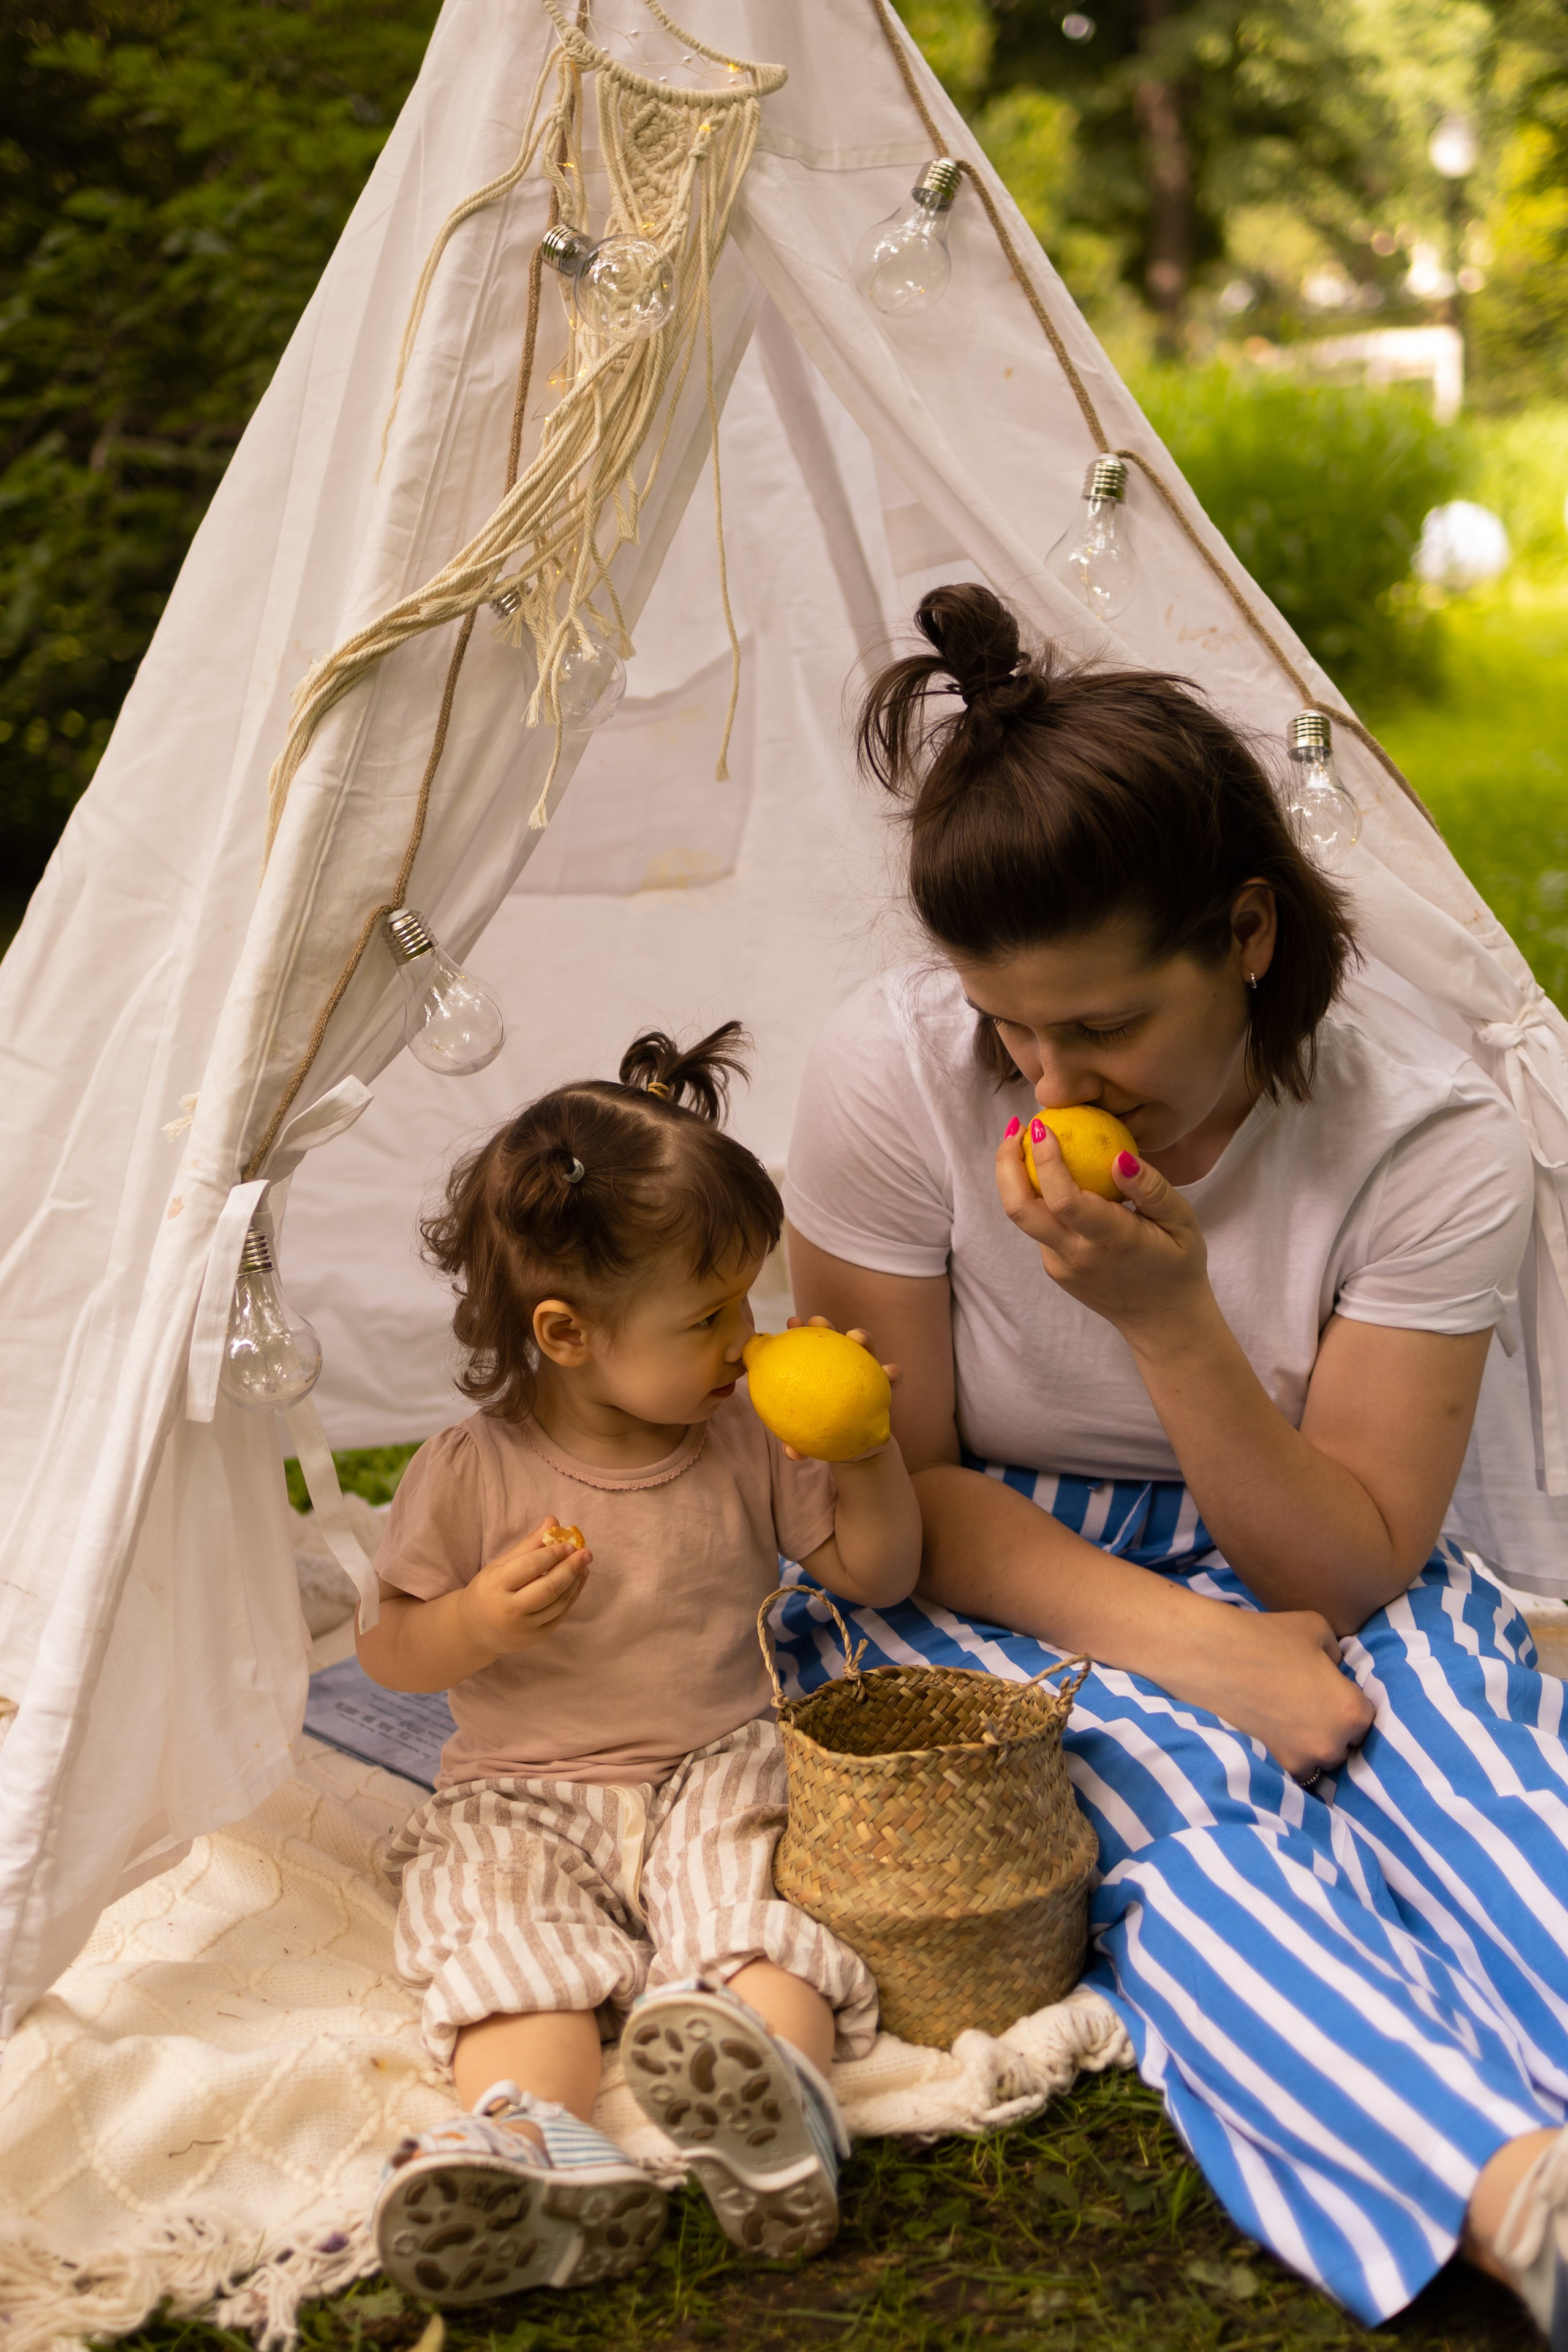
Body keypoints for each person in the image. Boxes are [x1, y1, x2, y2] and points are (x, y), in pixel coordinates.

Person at [781, 580, 1568, 2341]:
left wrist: (1173, 1323)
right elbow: (895, 1496)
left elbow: (1345, 1567)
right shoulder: (891, 1076)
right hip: (992, 1553)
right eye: (1011, 1027)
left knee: (1468, 1761)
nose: (1051, 1079)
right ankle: (1510, 2192)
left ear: (1247, 933)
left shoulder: (1421, 1136)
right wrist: (1207, 1654)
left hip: (1310, 1524)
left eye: (1105, 1027)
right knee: (1186, 1832)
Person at [358, 1025, 921, 2306]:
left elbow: (875, 1572)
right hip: (522, 1789)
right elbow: (388, 1649)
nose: (746, 1341)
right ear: (566, 1334)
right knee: (505, 1947)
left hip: (714, 1763)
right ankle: (532, 2144)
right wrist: (474, 1625)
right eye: (709, 1316)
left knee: (752, 1926)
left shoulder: (743, 1438)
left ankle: (774, 2103)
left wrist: (868, 1449)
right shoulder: (471, 1471)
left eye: (747, 1302)